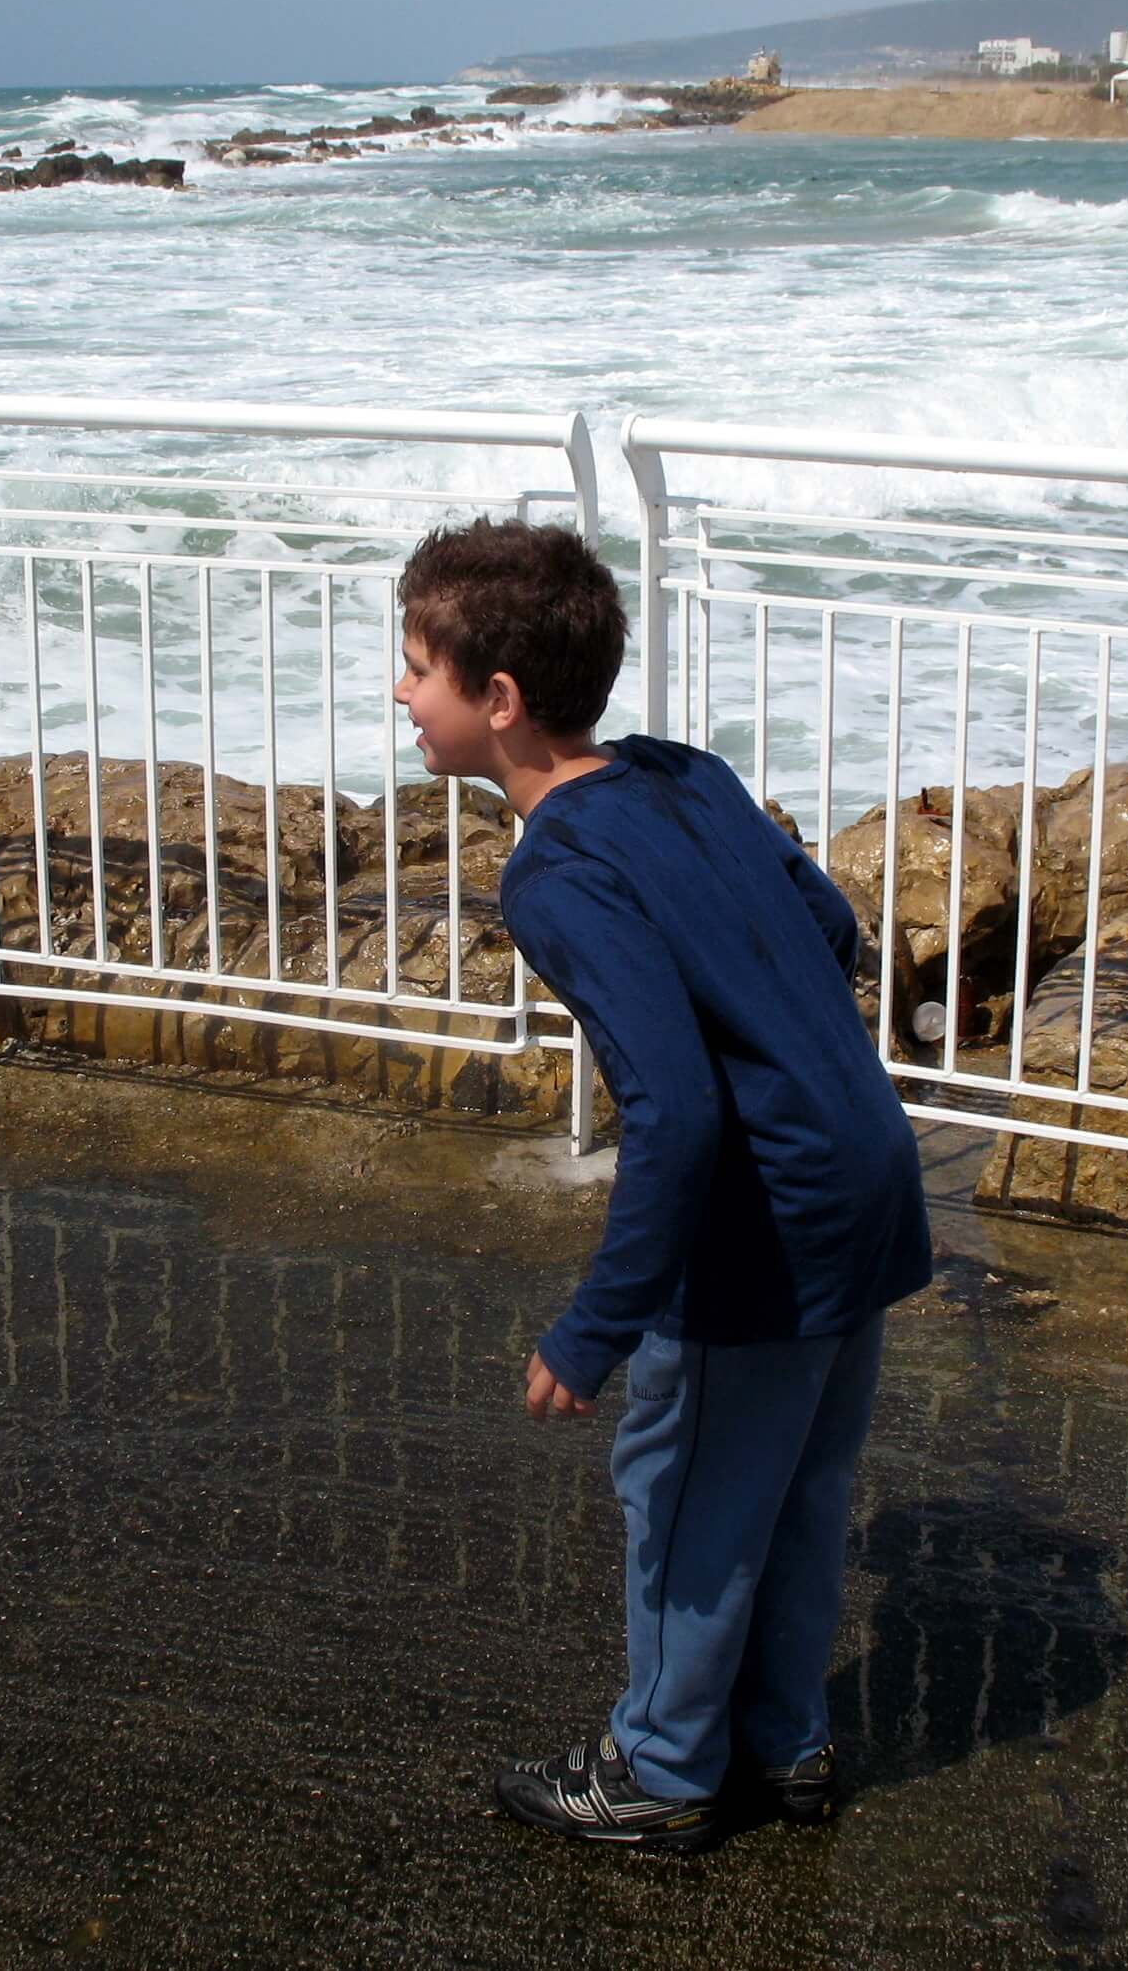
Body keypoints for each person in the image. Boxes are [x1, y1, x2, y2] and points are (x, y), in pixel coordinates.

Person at [390, 516, 932, 1852]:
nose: (400, 693)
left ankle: (665, 1772)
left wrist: (596, 1325)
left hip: (768, 1215)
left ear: (497, 701)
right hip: (866, 1168)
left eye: (416, 667)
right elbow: (833, 926)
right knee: (798, 1481)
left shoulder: (557, 871)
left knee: (683, 1483)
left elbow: (677, 1111)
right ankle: (784, 1741)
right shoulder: (684, 772)